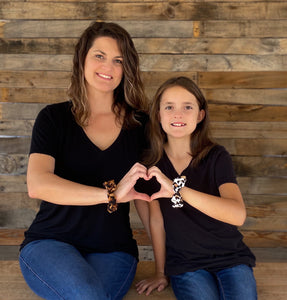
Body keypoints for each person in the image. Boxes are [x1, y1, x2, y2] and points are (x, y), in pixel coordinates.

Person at [19, 21, 152, 300]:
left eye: (118, 60)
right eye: (99, 56)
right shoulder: (53, 119)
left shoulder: (141, 125)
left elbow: (147, 202)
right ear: (82, 59)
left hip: (113, 250)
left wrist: (166, 266)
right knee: (87, 295)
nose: (109, 67)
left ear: (126, 68)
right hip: (51, 242)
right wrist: (111, 194)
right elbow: (39, 185)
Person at [135, 76, 257, 299]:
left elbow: (237, 215)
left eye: (187, 107)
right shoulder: (150, 166)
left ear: (200, 115)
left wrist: (177, 190)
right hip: (186, 265)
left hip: (230, 258)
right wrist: (160, 272)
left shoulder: (216, 157)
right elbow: (157, 222)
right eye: (169, 107)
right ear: (158, 115)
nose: (178, 114)